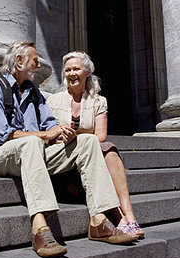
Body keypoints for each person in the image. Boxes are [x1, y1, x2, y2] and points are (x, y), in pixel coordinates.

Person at [0, 41, 137, 258]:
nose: (37, 65)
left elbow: (50, 123)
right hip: (0, 155)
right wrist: (45, 135)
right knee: (33, 142)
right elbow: (2, 134)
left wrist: (62, 132)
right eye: (35, 60)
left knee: (88, 142)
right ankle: (40, 227)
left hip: (34, 152)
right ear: (19, 60)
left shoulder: (34, 92)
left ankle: (99, 220)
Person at [47, 50, 145, 239]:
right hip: (62, 157)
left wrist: (75, 138)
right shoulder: (52, 101)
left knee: (109, 151)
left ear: (87, 72)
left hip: (90, 153)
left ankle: (129, 215)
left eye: (76, 69)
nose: (71, 74)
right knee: (104, 150)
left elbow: (100, 136)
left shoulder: (98, 101)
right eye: (67, 70)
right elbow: (48, 134)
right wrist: (61, 136)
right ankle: (119, 219)